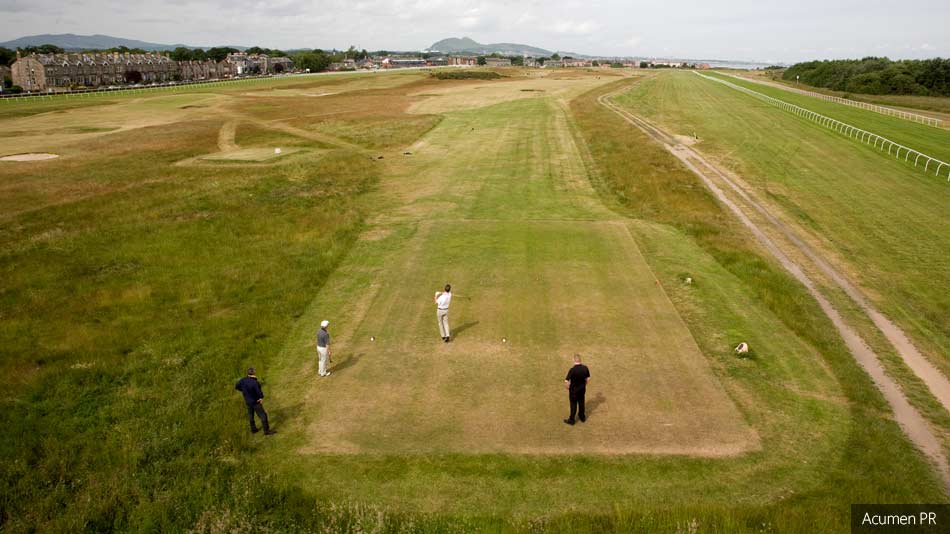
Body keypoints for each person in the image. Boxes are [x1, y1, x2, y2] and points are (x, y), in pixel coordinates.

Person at [235, 367, 275, 435]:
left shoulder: (242, 380)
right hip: (255, 402)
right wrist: (261, 398)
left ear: (248, 373)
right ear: (254, 373)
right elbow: (259, 392)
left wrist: (243, 391)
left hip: (247, 401)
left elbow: (237, 386)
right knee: (263, 416)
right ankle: (266, 431)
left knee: (251, 415)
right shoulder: (255, 382)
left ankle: (253, 429)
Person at [564, 354, 590, 425]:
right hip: (582, 391)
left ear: (574, 360)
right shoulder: (585, 368)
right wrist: (584, 385)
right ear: (580, 360)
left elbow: (566, 381)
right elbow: (588, 378)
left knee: (573, 405)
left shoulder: (572, 370)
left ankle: (572, 420)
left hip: (573, 392)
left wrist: (567, 387)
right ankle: (582, 417)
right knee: (581, 404)